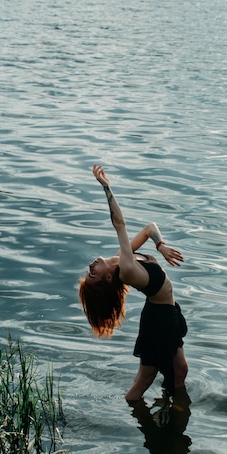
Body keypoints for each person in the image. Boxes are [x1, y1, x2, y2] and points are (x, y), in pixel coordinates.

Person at [79, 165, 188, 402]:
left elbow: (150, 228)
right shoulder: (126, 270)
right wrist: (107, 188)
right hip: (158, 322)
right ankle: (137, 412)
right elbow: (120, 224)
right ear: (108, 278)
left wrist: (161, 246)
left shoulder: (121, 258)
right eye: (93, 273)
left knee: (180, 370)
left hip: (168, 313)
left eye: (89, 272)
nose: (91, 267)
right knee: (144, 380)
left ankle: (174, 409)